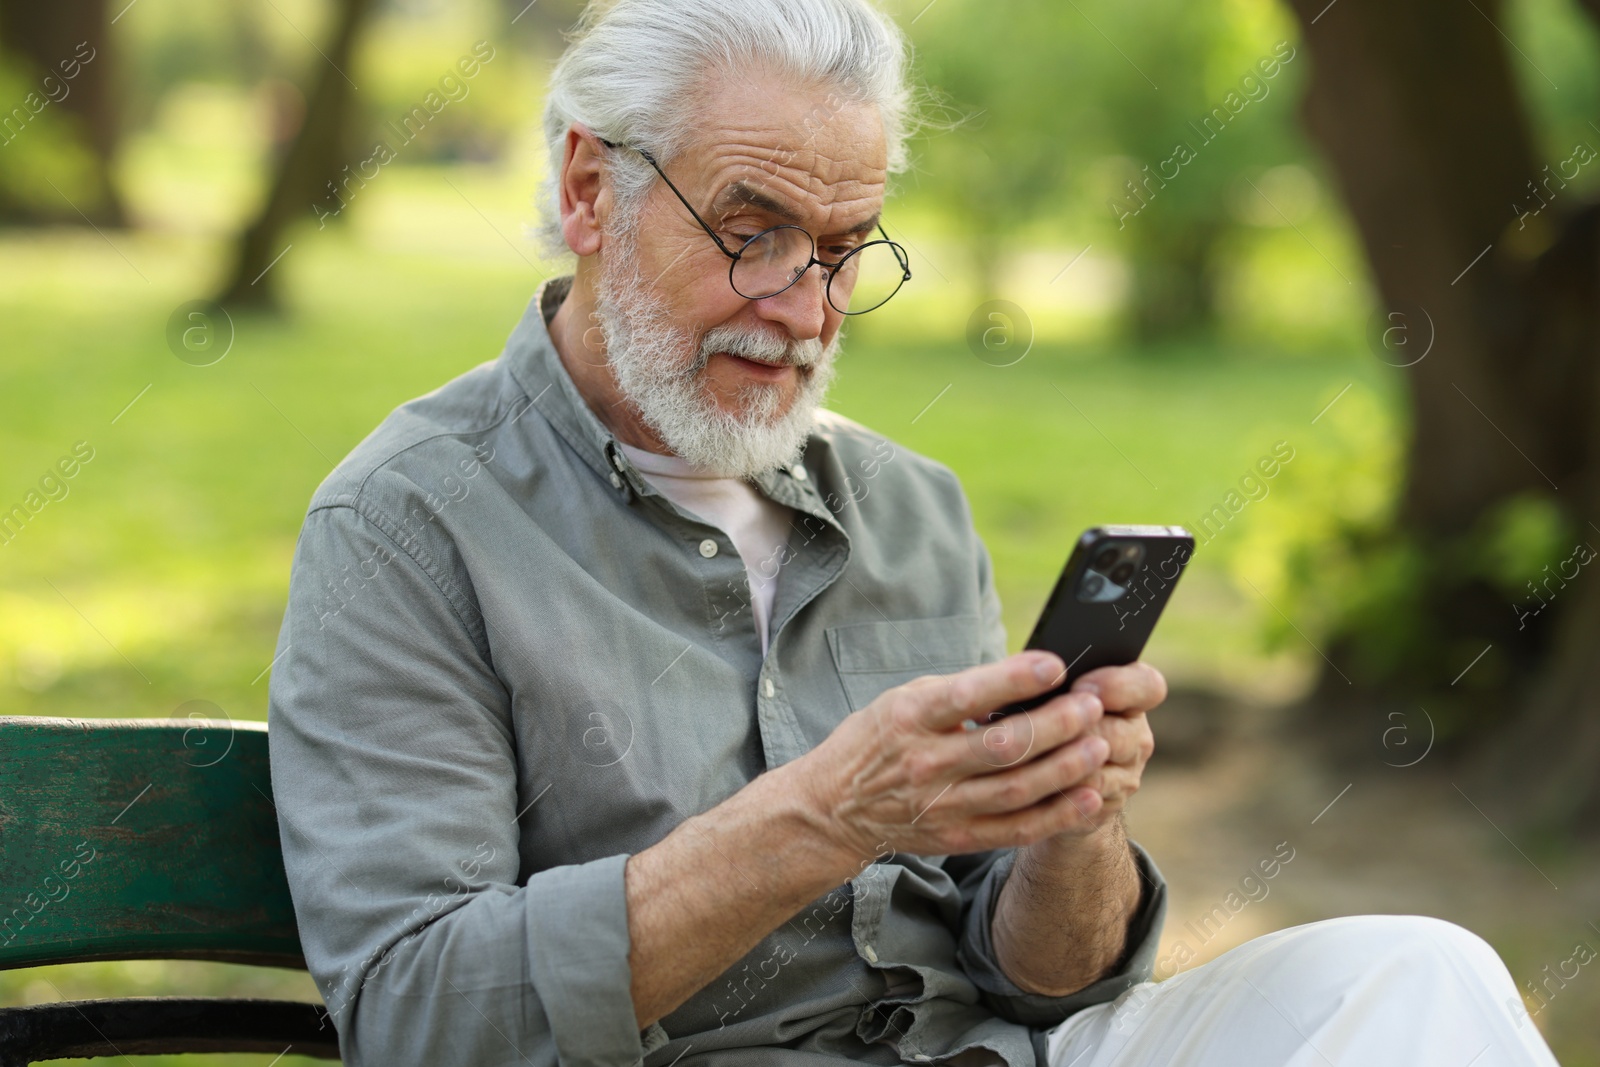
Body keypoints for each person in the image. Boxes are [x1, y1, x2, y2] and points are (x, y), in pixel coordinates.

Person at [265, 1, 1563, 1064]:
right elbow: (419, 1017)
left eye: (841, 251)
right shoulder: (408, 525)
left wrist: (1072, 820)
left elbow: (1044, 983)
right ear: (590, 188)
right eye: (752, 231)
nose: (800, 308)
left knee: (1418, 977)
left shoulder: (909, 508)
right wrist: (822, 817)